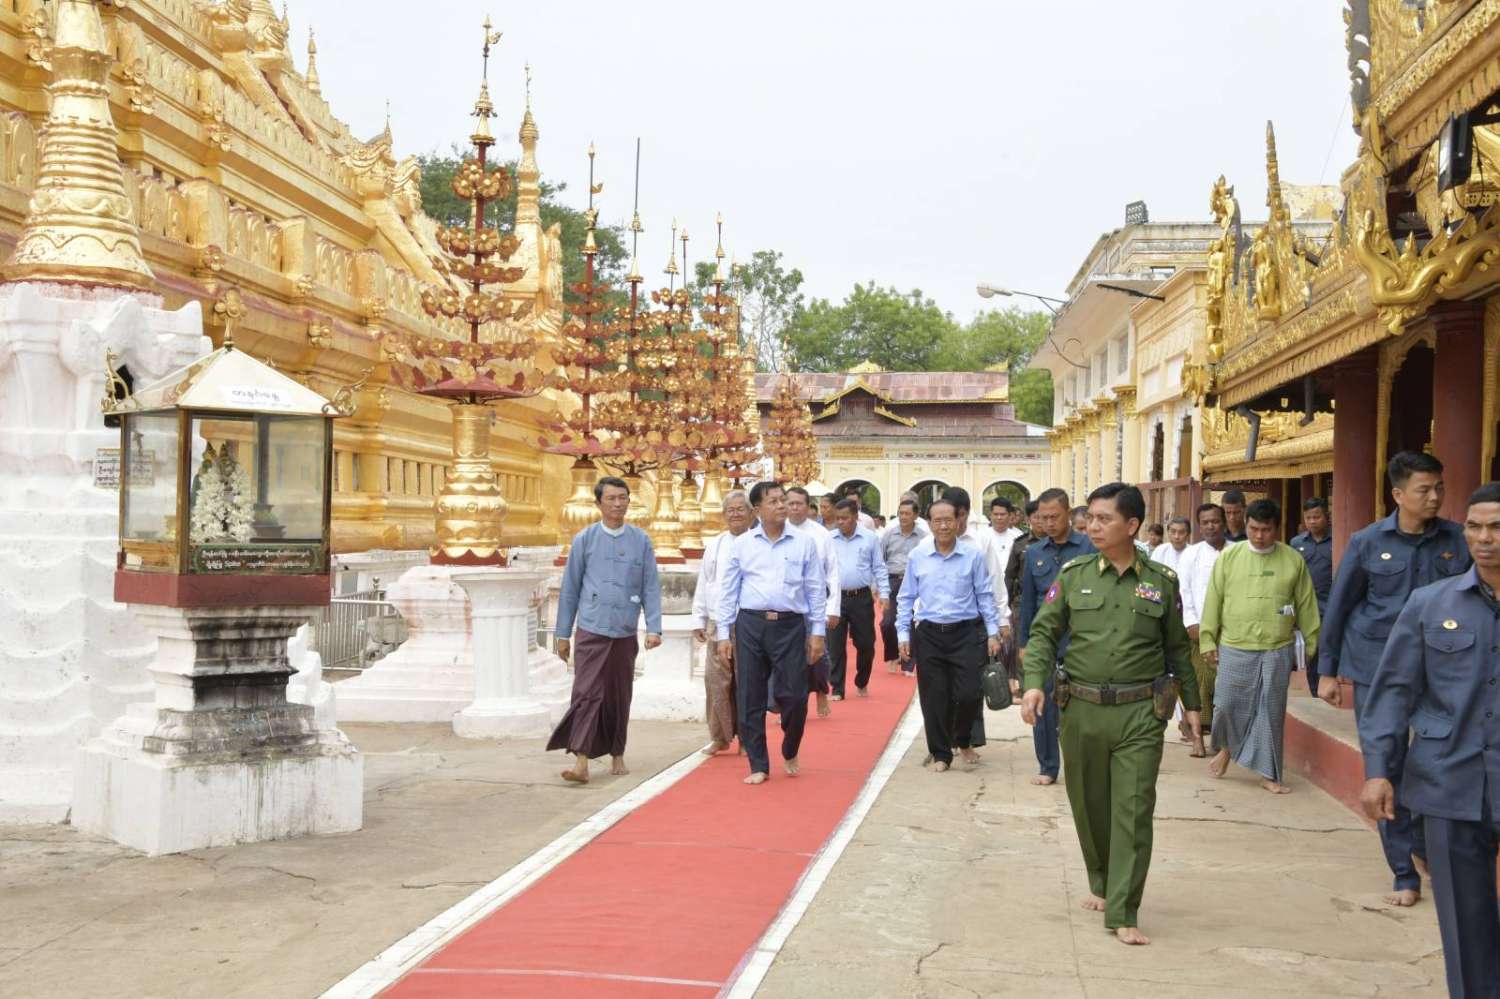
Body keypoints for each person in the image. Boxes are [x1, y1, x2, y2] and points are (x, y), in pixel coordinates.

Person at [1021, 482, 1201, 946]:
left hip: (1140, 712)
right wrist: (1035, 683)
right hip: (1081, 710)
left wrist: (1193, 706)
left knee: (1134, 809)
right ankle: (1101, 879)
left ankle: (1124, 910)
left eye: (1105, 519)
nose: (1092, 527)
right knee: (1090, 806)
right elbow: (1043, 634)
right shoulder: (1074, 575)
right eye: (1092, 519)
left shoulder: (1161, 581)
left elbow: (1177, 649)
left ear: (1132, 525)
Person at [1358, 482, 1500, 999]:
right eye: (1475, 527)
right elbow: (1393, 691)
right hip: (1449, 781)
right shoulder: (1429, 604)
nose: (1484, 539)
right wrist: (1378, 770)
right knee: (1465, 925)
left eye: (1497, 528)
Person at [1320, 450, 1473, 906]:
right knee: (1384, 765)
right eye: (1424, 490)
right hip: (1376, 669)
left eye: (1439, 488)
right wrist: (1326, 672)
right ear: (1398, 495)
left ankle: (1424, 846)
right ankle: (1404, 872)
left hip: (1439, 670)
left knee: (1433, 764)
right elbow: (1340, 606)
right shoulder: (1368, 542)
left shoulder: (1458, 540)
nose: (1435, 497)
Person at [1199, 499, 1320, 794]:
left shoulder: (1293, 560)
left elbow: (1306, 604)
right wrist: (1207, 639)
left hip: (1276, 646)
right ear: (1245, 525)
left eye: (1266, 530)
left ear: (1277, 529)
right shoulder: (1229, 557)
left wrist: (1312, 644)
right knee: (1227, 705)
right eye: (1253, 529)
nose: (1259, 535)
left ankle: (1269, 774)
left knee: (1270, 710)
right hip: (1234, 643)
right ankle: (1227, 749)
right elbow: (1213, 599)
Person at [548, 476, 663, 784]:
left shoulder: (641, 540)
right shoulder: (584, 539)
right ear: (598, 503)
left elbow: (651, 586)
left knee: (618, 694)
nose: (617, 504)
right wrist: (562, 635)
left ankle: (617, 753)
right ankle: (581, 761)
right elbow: (570, 589)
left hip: (624, 630)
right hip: (591, 628)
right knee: (586, 693)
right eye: (611, 498)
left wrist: (654, 627)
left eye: (622, 498)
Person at [716, 481, 827, 785]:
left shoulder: (804, 543)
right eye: (774, 501)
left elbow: (816, 588)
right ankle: (758, 764)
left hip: (790, 625)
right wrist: (723, 634)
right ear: (757, 510)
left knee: (794, 694)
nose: (781, 506)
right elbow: (728, 591)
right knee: (750, 694)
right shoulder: (742, 545)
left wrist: (818, 631)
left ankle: (790, 747)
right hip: (750, 624)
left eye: (783, 500)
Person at [896, 497, 1002, 773]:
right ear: (929, 524)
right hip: (929, 634)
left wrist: (993, 632)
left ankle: (962, 737)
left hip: (966, 633)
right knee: (934, 697)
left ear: (958, 521)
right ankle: (941, 753)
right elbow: (906, 597)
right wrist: (902, 634)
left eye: (948, 520)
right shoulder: (918, 556)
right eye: (937, 521)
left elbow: (984, 595)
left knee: (970, 693)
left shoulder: (972, 556)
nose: (943, 526)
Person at [1017, 488, 1095, 786]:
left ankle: (1082, 765)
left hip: (1080, 640)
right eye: (1043, 517)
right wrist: (1024, 643)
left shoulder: (1089, 548)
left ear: (1068, 514)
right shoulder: (1034, 552)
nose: (1048, 523)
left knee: (1080, 708)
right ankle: (1047, 766)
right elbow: (1027, 602)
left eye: (1054, 517)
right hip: (1045, 641)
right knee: (1042, 704)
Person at [690, 490, 753, 756]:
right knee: (715, 681)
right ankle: (719, 737)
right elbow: (705, 582)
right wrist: (699, 618)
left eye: (741, 509)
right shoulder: (715, 544)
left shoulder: (758, 543)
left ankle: (748, 740)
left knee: (747, 682)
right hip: (718, 623)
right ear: (724, 514)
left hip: (748, 622)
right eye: (731, 510)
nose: (735, 514)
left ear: (751, 513)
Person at [1178, 503, 1229, 753]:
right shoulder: (1192, 554)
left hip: (1230, 632)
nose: (1211, 526)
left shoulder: (1236, 551)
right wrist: (1191, 622)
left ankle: (1222, 740)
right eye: (1205, 522)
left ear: (1224, 522)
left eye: (1215, 521)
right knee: (1198, 683)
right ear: (1199, 526)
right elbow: (1183, 591)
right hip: (1198, 629)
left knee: (1224, 685)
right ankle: (1198, 736)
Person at [786, 487, 840, 716]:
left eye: (799, 503)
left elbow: (833, 572)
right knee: (786, 655)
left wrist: (833, 608)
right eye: (790, 503)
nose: (795, 508)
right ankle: (787, 703)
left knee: (817, 652)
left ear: (808, 507)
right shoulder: (777, 530)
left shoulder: (820, 534)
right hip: (786, 603)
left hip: (813, 603)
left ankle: (820, 692)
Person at [828, 498, 889, 698]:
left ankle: (862, 680)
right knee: (835, 646)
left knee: (865, 644)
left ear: (855, 517)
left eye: (845, 518)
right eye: (837, 518)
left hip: (861, 597)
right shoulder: (829, 539)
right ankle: (837, 688)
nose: (840, 522)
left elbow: (879, 567)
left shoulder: (869, 538)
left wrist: (884, 593)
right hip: (836, 598)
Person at [1289, 497, 1333, 696]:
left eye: (1317, 517)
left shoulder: (1338, 540)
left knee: (1328, 648)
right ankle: (1314, 691)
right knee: (1311, 650)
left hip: (1330, 605)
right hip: (1306, 606)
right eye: (1308, 518)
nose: (1313, 521)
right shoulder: (1297, 543)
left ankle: (1328, 687)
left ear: (1326, 516)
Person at [880, 498, 928, 675]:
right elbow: (879, 561)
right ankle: (893, 655)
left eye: (907, 513)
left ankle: (908, 663)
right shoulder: (889, 535)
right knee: (887, 622)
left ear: (916, 515)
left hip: (916, 582)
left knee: (912, 621)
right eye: (901, 513)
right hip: (893, 580)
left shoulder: (924, 537)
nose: (903, 517)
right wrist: (878, 586)